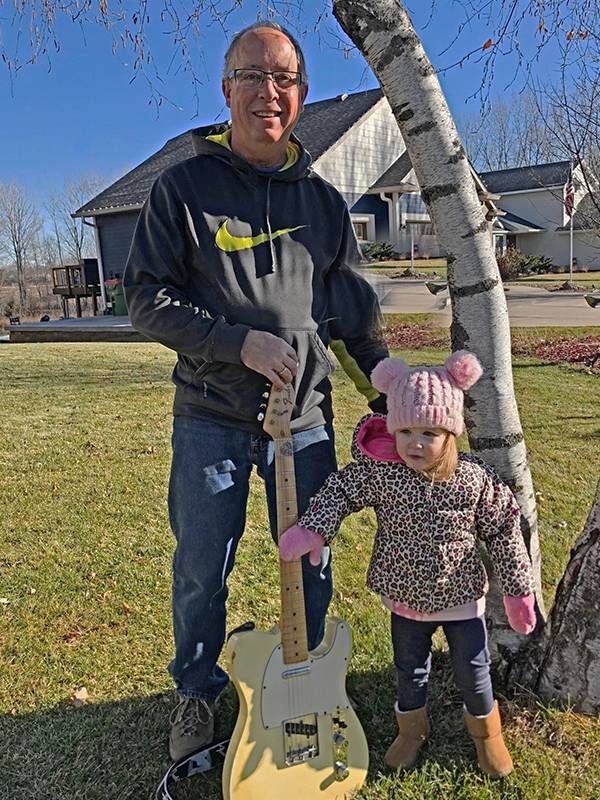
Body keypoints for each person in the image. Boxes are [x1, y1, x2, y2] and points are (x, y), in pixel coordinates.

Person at [123, 20, 387, 761]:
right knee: (202, 568)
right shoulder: (182, 189)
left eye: (283, 79)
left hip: (303, 425)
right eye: (252, 76)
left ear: (301, 95)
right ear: (226, 89)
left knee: (312, 562)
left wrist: (388, 397)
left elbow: (357, 322)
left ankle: (306, 683)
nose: (267, 92)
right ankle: (196, 692)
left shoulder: (326, 206)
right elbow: (146, 297)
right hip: (211, 419)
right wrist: (237, 342)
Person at [279, 351, 537, 779]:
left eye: (430, 432)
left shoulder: (474, 480)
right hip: (405, 601)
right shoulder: (383, 474)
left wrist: (517, 590)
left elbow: (505, 530)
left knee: (473, 672)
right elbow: (340, 491)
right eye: (407, 431)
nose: (416, 442)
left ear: (450, 433)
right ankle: (411, 731)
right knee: (409, 670)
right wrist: (315, 529)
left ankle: (487, 737)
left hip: (461, 601)